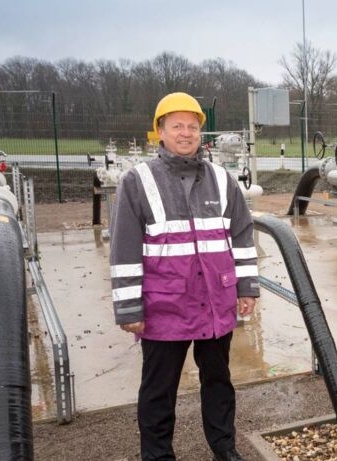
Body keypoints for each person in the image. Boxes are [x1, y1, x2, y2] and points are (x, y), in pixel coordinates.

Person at [110, 92, 259, 461]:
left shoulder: (223, 181)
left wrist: (247, 287)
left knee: (218, 382)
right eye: (177, 126)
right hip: (164, 307)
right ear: (159, 132)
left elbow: (241, 236)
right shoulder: (137, 181)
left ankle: (224, 449)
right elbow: (124, 248)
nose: (186, 133)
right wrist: (129, 308)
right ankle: (158, 456)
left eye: (192, 127)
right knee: (159, 390)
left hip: (214, 303)